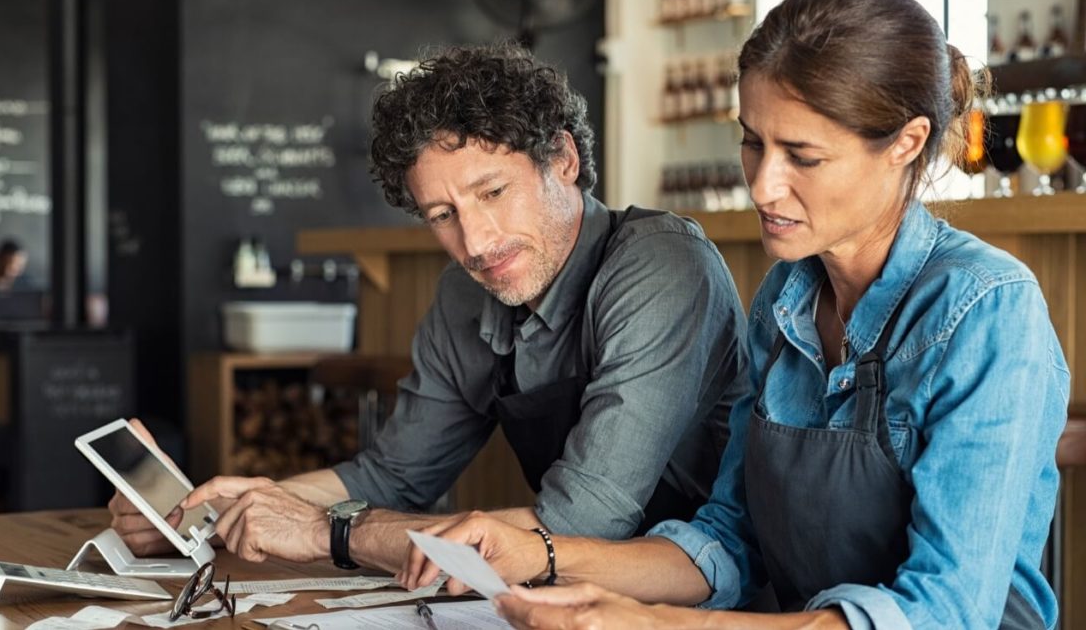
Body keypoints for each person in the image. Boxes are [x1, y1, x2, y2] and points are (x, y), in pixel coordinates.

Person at [402, 0, 1068, 630]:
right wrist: (543, 556)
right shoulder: (787, 296)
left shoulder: (986, 310)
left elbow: (947, 611)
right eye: (753, 142)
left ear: (906, 143)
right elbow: (729, 538)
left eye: (801, 155)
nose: (763, 185)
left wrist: (661, 624)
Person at [110, 42, 749, 573]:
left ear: (563, 160)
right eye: (443, 216)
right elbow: (393, 475)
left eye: (493, 192)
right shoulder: (465, 293)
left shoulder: (661, 266)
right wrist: (218, 510)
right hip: (575, 599)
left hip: (713, 598)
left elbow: (580, 523)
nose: (475, 243)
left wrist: (327, 533)